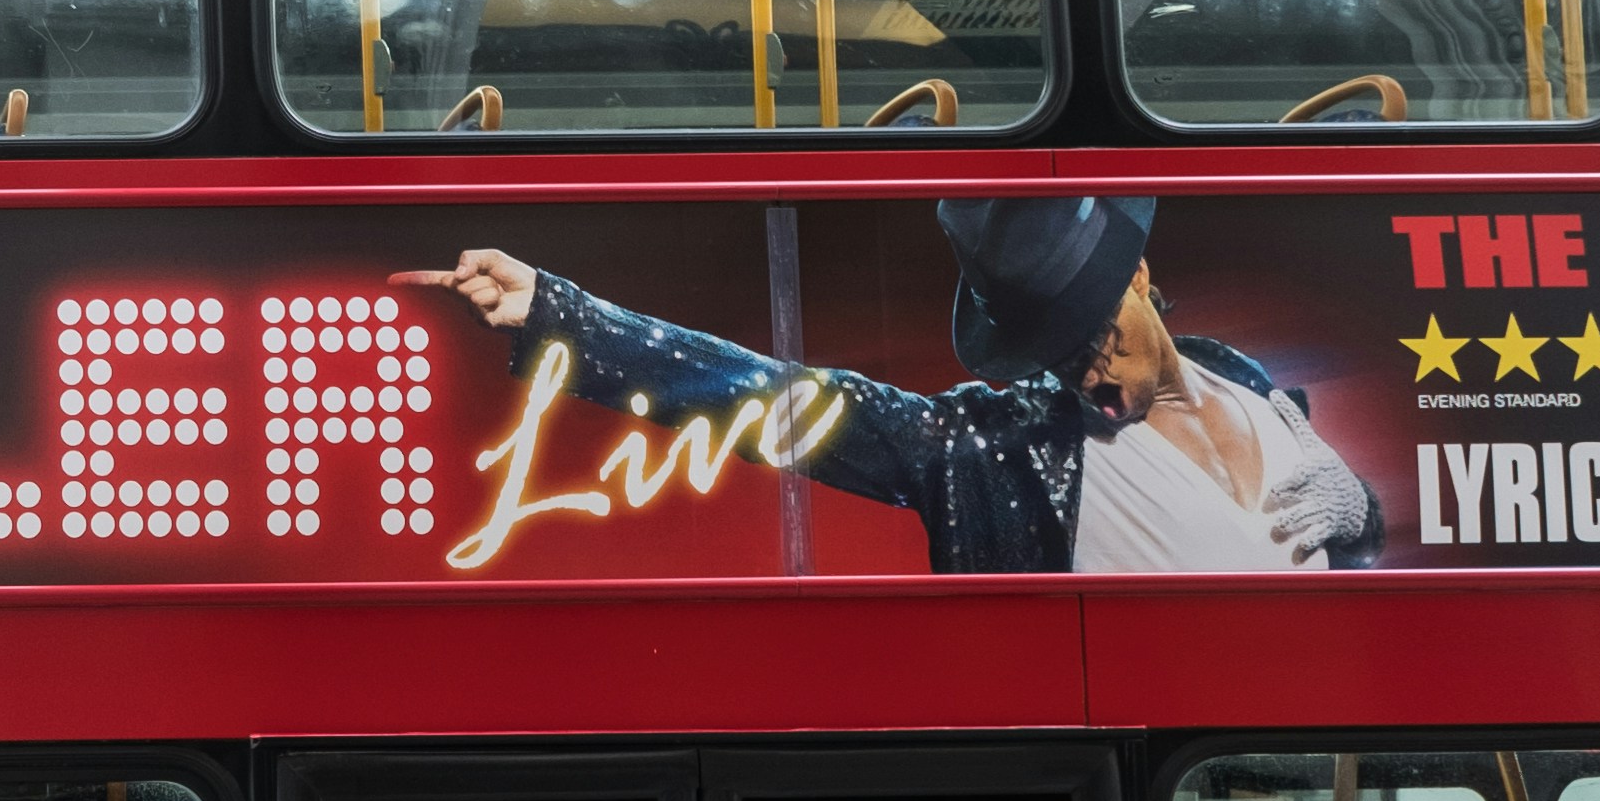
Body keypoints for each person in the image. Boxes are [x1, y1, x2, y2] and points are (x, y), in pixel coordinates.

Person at [423, 194, 1375, 574]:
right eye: (1050, 350)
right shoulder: (997, 450)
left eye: (1087, 333)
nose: (1080, 366)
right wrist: (566, 319)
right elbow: (781, 400)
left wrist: (1362, 508)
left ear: (1138, 274)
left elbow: (1369, 559)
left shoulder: (1254, 383)